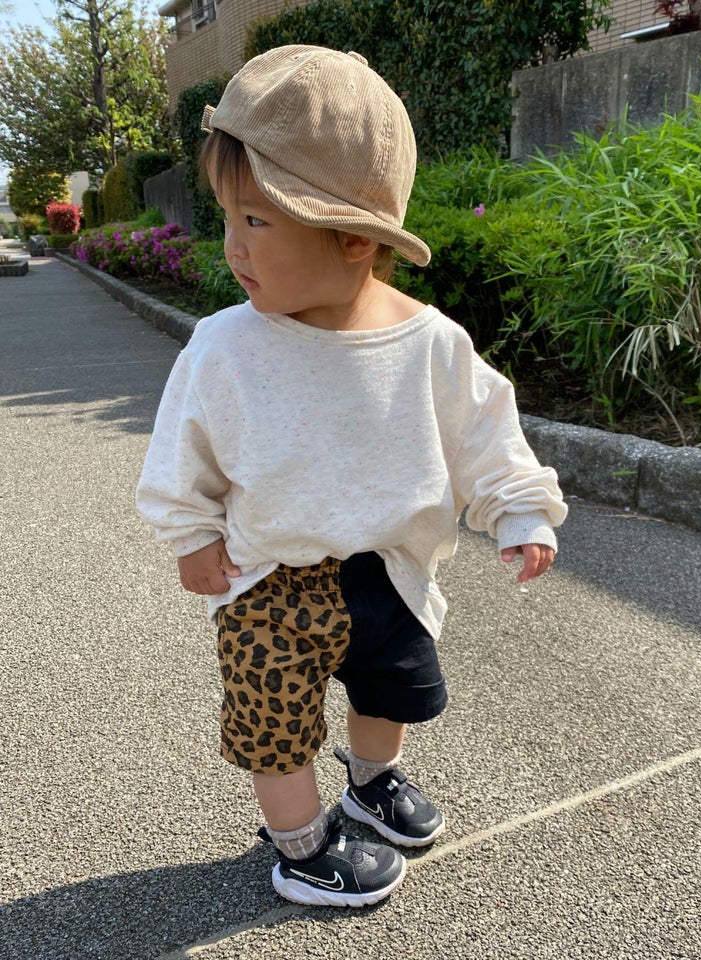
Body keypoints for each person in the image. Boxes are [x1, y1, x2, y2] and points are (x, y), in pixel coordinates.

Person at [136, 45, 568, 909]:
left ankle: (371, 784)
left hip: (391, 570)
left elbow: (486, 436)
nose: (231, 246)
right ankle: (301, 845)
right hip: (267, 580)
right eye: (226, 217)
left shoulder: (430, 344)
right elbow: (185, 449)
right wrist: (190, 534)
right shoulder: (225, 345)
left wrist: (520, 512)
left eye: (256, 222)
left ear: (353, 237)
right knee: (275, 725)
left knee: (389, 692)